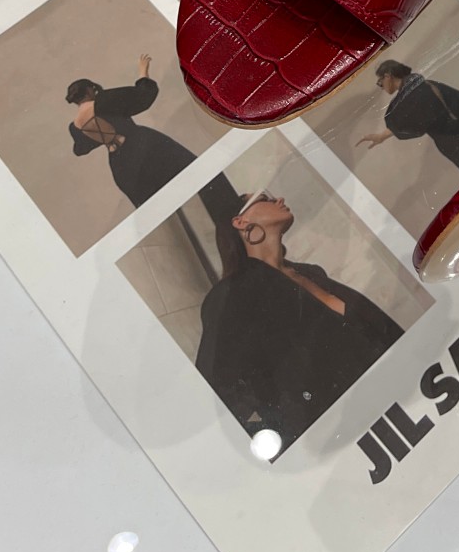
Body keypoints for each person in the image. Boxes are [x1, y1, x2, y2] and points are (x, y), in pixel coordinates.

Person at [195, 191, 404, 448]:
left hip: (399, 386)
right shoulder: (230, 296)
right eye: (264, 198)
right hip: (348, 434)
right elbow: (219, 388)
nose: (279, 199)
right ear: (240, 221)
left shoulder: (310, 273)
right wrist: (283, 440)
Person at [66, 54, 237, 225]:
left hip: (122, 168)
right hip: (144, 147)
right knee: (202, 174)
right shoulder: (102, 101)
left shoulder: (75, 127)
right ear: (89, 91)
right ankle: (235, 214)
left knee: (163, 217)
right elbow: (143, 96)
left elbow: (80, 149)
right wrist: (143, 72)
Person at [354, 60, 459, 175]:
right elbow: (414, 118)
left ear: (387, 76)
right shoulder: (422, 85)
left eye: (380, 83)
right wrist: (382, 136)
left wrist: (382, 136)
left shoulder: (413, 92)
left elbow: (408, 121)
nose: (382, 87)